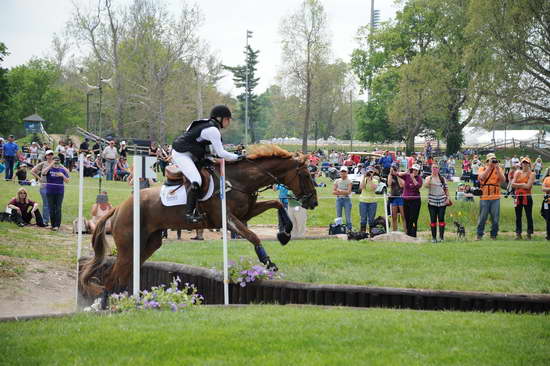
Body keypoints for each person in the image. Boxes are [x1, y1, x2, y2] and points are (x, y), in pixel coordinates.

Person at [171, 105, 240, 223]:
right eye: (227, 119)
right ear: (220, 118)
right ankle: (188, 214)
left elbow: (213, 152)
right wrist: (238, 157)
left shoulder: (204, 123)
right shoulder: (213, 130)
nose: (229, 122)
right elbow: (221, 153)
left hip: (193, 153)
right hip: (181, 154)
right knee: (196, 180)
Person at [476, 153, 506, 240]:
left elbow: (503, 180)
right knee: (482, 218)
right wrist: (489, 167)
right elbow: (481, 177)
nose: (493, 161)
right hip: (485, 196)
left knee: (495, 218)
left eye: (494, 159)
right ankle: (479, 235)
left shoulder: (498, 168)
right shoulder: (482, 168)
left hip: (495, 197)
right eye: (491, 159)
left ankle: (494, 235)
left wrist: (497, 168)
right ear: (487, 161)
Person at [424, 163, 450, 243]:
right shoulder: (428, 178)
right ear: (431, 169)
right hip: (432, 202)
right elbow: (426, 186)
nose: (435, 169)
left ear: (439, 169)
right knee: (433, 220)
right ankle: (434, 238)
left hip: (442, 201)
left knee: (441, 218)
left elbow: (446, 189)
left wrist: (448, 198)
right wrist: (430, 179)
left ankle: (441, 237)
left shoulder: (442, 178)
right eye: (433, 168)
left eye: (436, 168)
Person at [43, 156, 70, 231]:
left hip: (59, 192)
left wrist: (63, 175)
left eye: (57, 160)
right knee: (51, 208)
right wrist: (51, 164)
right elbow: (43, 173)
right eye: (55, 160)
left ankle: (57, 225)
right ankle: (52, 224)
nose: (56, 162)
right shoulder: (49, 169)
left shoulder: (62, 170)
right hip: (49, 191)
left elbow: (67, 181)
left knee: (58, 208)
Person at [511, 157, 535, 240]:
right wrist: (523, 184)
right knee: (518, 216)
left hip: (527, 196)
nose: (525, 164)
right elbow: (512, 184)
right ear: (521, 164)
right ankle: (518, 234)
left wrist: (518, 184)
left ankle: (529, 233)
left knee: (529, 215)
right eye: (523, 163)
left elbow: (528, 186)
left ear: (529, 164)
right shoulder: (517, 172)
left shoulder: (532, 174)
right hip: (517, 196)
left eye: (526, 163)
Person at [30, 150, 55, 227]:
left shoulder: (56, 164)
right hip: (44, 186)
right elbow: (32, 171)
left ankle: (53, 221)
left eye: (51, 154)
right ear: (46, 156)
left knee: (53, 204)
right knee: (46, 204)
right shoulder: (43, 164)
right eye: (48, 154)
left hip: (54, 187)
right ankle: (45, 221)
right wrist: (39, 178)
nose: (50, 156)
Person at [399, 164, 422, 237]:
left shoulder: (419, 178)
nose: (414, 171)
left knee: (413, 218)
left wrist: (413, 178)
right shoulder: (407, 176)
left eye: (416, 170)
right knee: (407, 217)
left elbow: (418, 186)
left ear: (418, 171)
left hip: (415, 201)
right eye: (413, 170)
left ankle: (413, 234)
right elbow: (398, 174)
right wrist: (406, 172)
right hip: (406, 200)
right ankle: (408, 233)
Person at [332, 166, 353, 231]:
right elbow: (333, 192)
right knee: (338, 215)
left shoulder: (349, 181)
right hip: (339, 199)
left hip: (347, 199)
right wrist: (343, 192)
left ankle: (349, 229)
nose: (343, 173)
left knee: (347, 215)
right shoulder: (337, 181)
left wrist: (340, 191)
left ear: (347, 172)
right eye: (342, 172)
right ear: (340, 172)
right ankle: (339, 228)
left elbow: (349, 192)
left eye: (344, 172)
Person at [358, 167, 378, 233]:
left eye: (371, 172)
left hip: (372, 201)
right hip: (363, 201)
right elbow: (361, 187)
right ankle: (362, 232)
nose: (370, 173)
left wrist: (370, 180)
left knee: (371, 219)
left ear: (373, 173)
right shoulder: (363, 179)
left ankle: (371, 233)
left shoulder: (375, 180)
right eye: (369, 172)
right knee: (363, 218)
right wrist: (364, 177)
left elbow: (373, 188)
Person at [388, 163, 405, 232]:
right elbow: (389, 183)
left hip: (401, 196)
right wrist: (390, 173)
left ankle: (405, 231)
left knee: (403, 216)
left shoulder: (402, 175)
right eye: (393, 168)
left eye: (395, 168)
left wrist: (397, 175)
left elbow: (401, 185)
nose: (394, 170)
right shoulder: (391, 175)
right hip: (394, 197)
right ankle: (394, 231)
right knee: (394, 216)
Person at [541, 170, 550, 240]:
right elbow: (543, 188)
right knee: (547, 218)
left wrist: (548, 189)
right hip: (547, 202)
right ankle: (548, 235)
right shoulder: (547, 179)